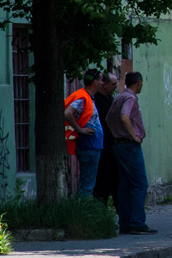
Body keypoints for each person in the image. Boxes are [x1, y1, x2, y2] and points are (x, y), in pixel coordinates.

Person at [107, 72, 157, 235]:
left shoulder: (118, 97)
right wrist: (133, 135)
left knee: (125, 185)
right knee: (139, 183)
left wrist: (117, 132)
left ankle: (125, 222)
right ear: (139, 83)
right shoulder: (131, 98)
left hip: (119, 144)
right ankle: (137, 221)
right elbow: (124, 116)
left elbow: (109, 119)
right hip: (129, 144)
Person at [64, 69, 104, 198]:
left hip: (92, 145)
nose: (103, 82)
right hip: (89, 146)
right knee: (87, 185)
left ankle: (82, 211)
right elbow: (67, 113)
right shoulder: (83, 98)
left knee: (87, 183)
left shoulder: (87, 97)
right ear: (95, 82)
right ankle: (83, 213)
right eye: (101, 79)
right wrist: (79, 130)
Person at [92, 72, 120, 213]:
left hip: (111, 145)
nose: (115, 87)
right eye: (113, 84)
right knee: (102, 182)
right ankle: (99, 212)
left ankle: (119, 211)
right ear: (105, 84)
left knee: (114, 180)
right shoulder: (96, 100)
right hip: (102, 146)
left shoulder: (110, 98)